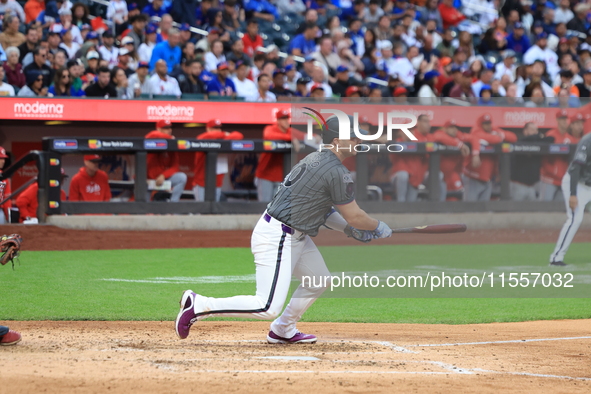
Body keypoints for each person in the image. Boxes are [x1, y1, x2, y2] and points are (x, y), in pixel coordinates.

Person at [175, 114, 393, 343]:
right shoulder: (335, 171)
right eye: (353, 137)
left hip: (294, 234)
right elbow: (355, 215)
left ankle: (283, 329)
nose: (358, 141)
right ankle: (199, 305)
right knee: (266, 306)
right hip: (279, 236)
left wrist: (348, 229)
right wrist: (378, 226)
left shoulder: (316, 159)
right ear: (337, 141)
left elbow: (324, 210)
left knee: (319, 280)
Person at [549, 132, 591, 266]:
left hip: (589, 184)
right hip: (576, 184)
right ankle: (556, 258)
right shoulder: (587, 140)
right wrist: (573, 194)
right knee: (575, 219)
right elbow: (575, 168)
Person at [463, 114, 517, 201]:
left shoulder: (493, 130)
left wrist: (501, 134)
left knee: (484, 208)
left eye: (489, 123)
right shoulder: (476, 131)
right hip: (472, 177)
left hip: (487, 179)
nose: (488, 126)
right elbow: (495, 139)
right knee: (469, 207)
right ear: (481, 124)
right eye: (485, 123)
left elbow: (513, 137)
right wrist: (498, 136)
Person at [255, 109, 304, 202]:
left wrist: (315, 137)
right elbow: (269, 135)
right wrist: (291, 138)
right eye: (283, 118)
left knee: (277, 206)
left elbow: (305, 136)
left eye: (287, 118)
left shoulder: (290, 131)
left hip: (280, 176)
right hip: (265, 174)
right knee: (264, 205)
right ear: (277, 120)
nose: (286, 121)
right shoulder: (270, 129)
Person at [192, 119, 243, 201]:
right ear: (208, 129)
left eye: (219, 128)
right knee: (201, 210)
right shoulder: (203, 140)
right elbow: (200, 138)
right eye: (215, 128)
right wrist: (223, 134)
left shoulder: (223, 141)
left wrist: (221, 135)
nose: (218, 131)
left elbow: (238, 136)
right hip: (201, 183)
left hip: (217, 183)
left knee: (213, 211)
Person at [540, 110, 579, 201]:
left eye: (566, 119)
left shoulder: (570, 138)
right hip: (549, 179)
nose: (564, 121)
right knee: (544, 207)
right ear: (557, 120)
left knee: (561, 208)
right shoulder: (550, 135)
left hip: (563, 181)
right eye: (562, 119)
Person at [510, 122, 554, 201]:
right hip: (518, 185)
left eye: (536, 130)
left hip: (533, 186)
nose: (535, 132)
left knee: (532, 212)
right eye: (532, 130)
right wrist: (538, 136)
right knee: (515, 211)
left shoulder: (539, 143)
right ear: (525, 131)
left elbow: (551, 139)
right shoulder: (520, 142)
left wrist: (538, 137)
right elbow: (529, 139)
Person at [145, 120, 187, 202]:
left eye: (169, 128)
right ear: (158, 129)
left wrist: (163, 176)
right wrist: (171, 139)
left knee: (182, 177)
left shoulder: (172, 145)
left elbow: (175, 167)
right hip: (147, 180)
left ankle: (173, 206)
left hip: (163, 180)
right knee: (143, 206)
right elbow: (153, 134)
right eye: (165, 128)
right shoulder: (152, 137)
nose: (169, 130)